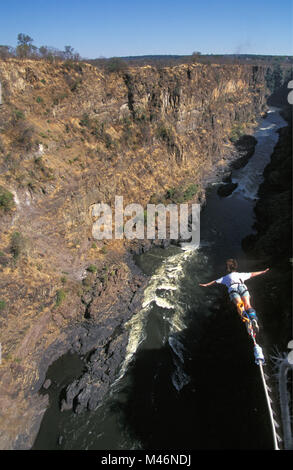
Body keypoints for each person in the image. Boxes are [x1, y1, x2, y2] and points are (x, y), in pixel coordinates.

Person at [199, 258, 270, 331]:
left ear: (227, 268)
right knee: (248, 305)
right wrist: (263, 272)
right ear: (235, 267)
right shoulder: (241, 274)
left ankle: (246, 321)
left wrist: (206, 285)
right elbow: (253, 274)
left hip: (233, 289)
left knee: (239, 305)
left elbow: (214, 282)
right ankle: (253, 319)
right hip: (242, 287)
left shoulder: (225, 278)